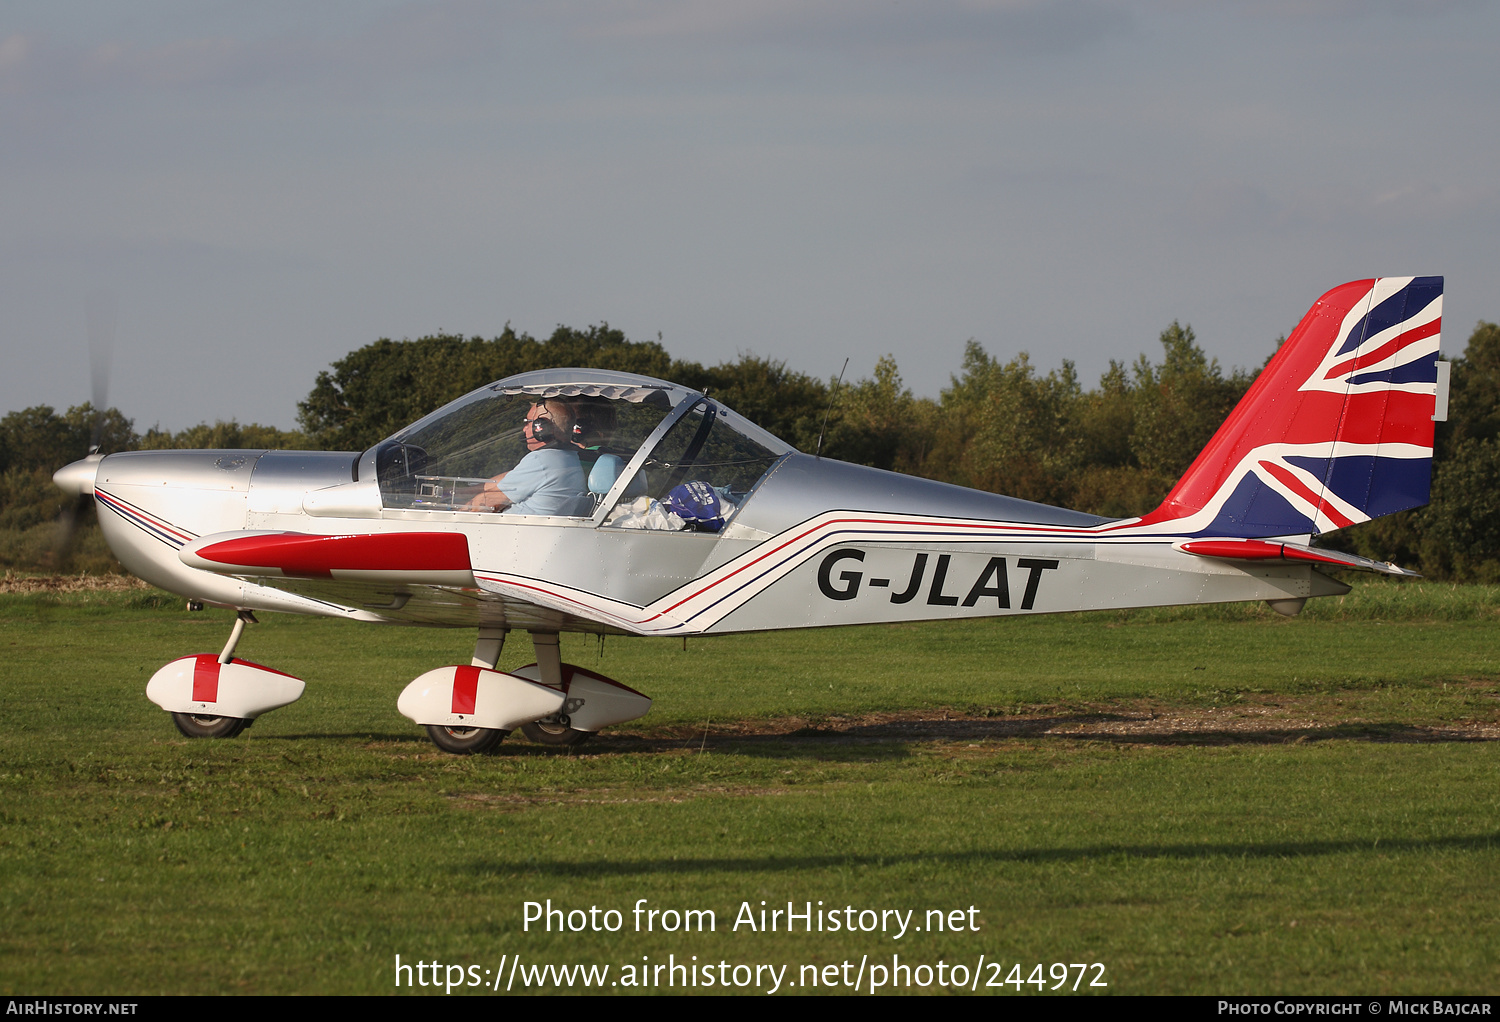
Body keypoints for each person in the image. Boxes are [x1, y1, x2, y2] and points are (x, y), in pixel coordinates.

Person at [464, 399, 590, 515]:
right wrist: (462, 491)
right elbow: (509, 477)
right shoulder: (567, 458)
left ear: (541, 427)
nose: (524, 429)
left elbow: (485, 503)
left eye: (528, 423)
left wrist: (458, 508)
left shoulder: (542, 460)